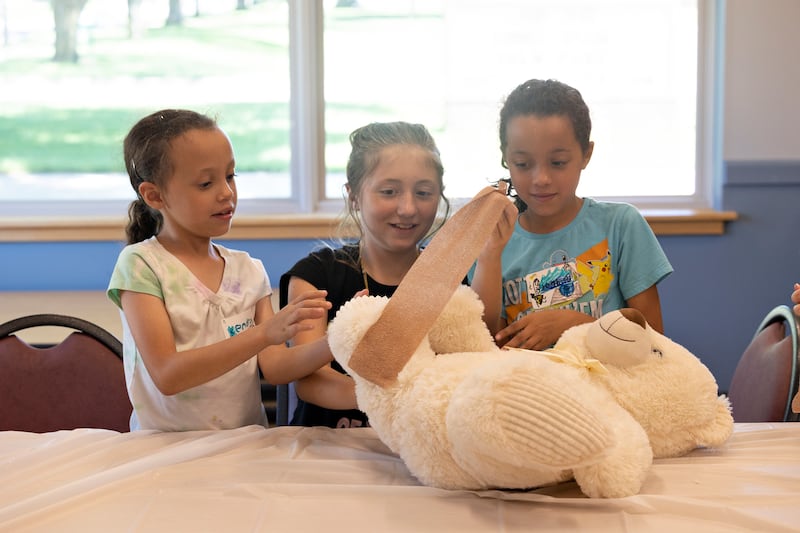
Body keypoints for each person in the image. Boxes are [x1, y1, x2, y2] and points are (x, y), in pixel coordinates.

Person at [107, 109, 332, 431]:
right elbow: (168, 375)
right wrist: (263, 334)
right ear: (154, 195)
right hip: (163, 454)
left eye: (230, 176)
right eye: (205, 183)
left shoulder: (249, 270)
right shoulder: (141, 265)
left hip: (241, 450)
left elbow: (277, 367)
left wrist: (339, 340)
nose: (226, 192)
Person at [279, 121, 510, 428]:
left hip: (415, 451)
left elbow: (478, 345)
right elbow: (309, 382)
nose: (408, 208)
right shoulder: (317, 275)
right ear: (354, 196)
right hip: (328, 448)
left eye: (424, 192)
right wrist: (392, 397)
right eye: (389, 191)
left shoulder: (446, 274)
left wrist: (490, 255)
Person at [470, 78, 673, 351]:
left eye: (558, 163)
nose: (541, 178)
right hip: (524, 388)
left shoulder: (621, 226)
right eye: (522, 164)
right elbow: (480, 346)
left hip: (607, 387)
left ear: (586, 154)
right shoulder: (489, 238)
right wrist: (490, 256)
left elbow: (654, 342)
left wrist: (575, 324)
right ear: (505, 158)